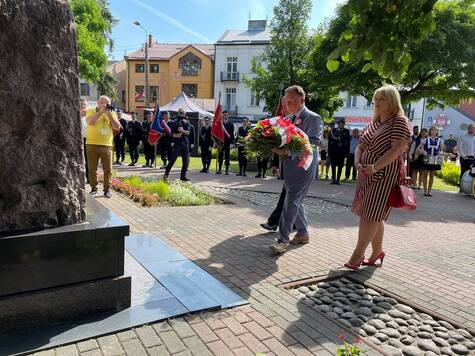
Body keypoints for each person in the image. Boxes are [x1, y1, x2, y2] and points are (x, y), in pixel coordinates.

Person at [345, 85, 411, 269]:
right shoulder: (375, 122)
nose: (376, 102)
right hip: (366, 174)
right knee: (374, 214)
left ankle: (358, 255)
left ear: (391, 101)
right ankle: (377, 252)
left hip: (383, 175)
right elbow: (360, 146)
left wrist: (374, 167)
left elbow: (397, 149)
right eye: (375, 98)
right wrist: (357, 163)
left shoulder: (399, 121)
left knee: (370, 215)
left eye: (381, 98)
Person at [269, 85, 322, 254]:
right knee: (295, 201)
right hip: (289, 167)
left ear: (302, 100)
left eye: (293, 101)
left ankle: (282, 240)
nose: (289, 104)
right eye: (287, 101)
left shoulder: (313, 118)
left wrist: (289, 151)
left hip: (303, 167)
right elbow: (283, 141)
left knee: (290, 202)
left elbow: (314, 142)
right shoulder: (287, 119)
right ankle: (302, 232)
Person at [85, 95, 120, 198]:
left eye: (107, 103)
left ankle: (107, 190)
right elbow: (90, 122)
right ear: (98, 103)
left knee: (108, 169)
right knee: (92, 168)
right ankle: (93, 188)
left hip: (106, 145)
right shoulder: (91, 111)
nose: (105, 105)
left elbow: (117, 127)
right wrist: (100, 112)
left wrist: (109, 115)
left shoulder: (111, 112)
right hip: (92, 143)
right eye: (103, 103)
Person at [164, 108, 191, 181]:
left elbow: (188, 132)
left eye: (183, 112)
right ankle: (166, 174)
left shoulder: (187, 121)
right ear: (178, 113)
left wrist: (182, 130)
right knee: (172, 160)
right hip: (177, 143)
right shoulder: (174, 122)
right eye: (180, 112)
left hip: (185, 143)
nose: (182, 114)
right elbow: (170, 133)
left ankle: (183, 176)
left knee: (186, 162)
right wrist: (175, 135)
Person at [417, 126, 444, 197]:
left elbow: (441, 150)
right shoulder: (426, 139)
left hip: (435, 160)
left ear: (437, 132)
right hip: (427, 159)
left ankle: (429, 191)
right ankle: (425, 190)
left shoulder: (439, 140)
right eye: (432, 130)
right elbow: (418, 149)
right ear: (430, 131)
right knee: (425, 174)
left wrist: (440, 153)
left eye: (435, 130)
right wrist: (423, 151)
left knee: (432, 175)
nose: (434, 131)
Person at [328, 118, 350, 185]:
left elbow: (347, 142)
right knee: (333, 166)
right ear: (337, 125)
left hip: (342, 152)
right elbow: (330, 142)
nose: (341, 125)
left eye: (342, 124)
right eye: (340, 124)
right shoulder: (333, 131)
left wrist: (347, 152)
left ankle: (338, 180)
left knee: (340, 166)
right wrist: (329, 152)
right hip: (334, 152)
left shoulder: (346, 131)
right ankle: (333, 179)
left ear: (344, 125)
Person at [457, 123, 475, 191]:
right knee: (463, 172)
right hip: (464, 158)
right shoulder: (462, 137)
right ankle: (461, 188)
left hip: (473, 159)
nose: (472, 129)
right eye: (471, 128)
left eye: (473, 128)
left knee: (473, 173)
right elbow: (459, 147)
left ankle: (472, 189)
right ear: (468, 129)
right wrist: (463, 156)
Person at [217, 110, 235, 175]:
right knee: (220, 156)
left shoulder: (231, 123)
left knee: (227, 156)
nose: (225, 116)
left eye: (226, 115)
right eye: (224, 115)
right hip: (221, 142)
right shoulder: (220, 123)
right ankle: (219, 169)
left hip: (227, 142)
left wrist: (232, 143)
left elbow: (232, 134)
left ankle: (227, 170)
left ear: (228, 116)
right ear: (222, 115)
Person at [80, 98, 89, 183]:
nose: (83, 106)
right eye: (81, 104)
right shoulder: (76, 116)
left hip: (87, 139)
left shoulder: (89, 117)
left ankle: (88, 178)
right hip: (77, 139)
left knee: (87, 159)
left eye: (84, 104)